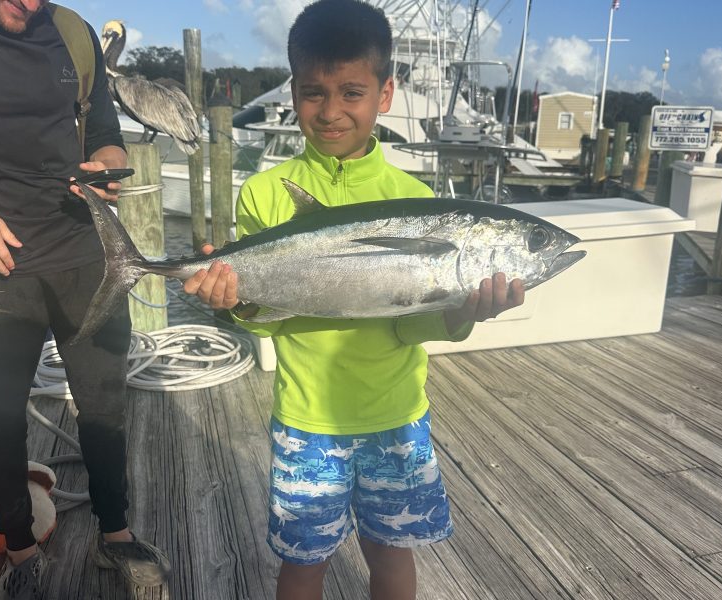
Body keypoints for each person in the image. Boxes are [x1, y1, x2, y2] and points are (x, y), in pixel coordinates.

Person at [184, 1, 524, 598]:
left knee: (392, 555)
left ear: (385, 92)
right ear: (293, 93)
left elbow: (406, 326)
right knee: (304, 563)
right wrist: (231, 304)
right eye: (315, 93)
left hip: (396, 415)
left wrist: (463, 313)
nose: (332, 110)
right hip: (306, 420)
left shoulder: (415, 197)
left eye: (351, 92)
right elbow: (268, 325)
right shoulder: (265, 193)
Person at [0, 1, 170, 598]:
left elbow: (105, 133)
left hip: (84, 252)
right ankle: (20, 549)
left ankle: (114, 534)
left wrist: (109, 165)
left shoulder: (72, 33)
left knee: (104, 404)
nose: (33, 4)